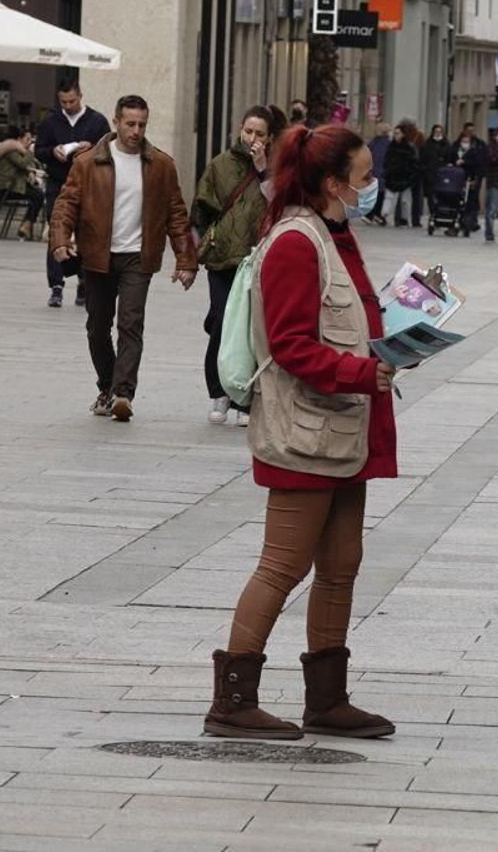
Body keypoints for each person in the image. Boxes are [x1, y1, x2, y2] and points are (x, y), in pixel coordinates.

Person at [206, 122, 398, 741]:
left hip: (343, 427)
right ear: (334, 183)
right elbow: (290, 345)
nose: (371, 186)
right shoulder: (296, 241)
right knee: (283, 565)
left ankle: (327, 698)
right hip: (305, 431)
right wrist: (361, 372)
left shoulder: (334, 234)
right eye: (364, 177)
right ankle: (233, 700)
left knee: (342, 563)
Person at [48, 95, 197, 422]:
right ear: (116, 122)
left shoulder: (161, 165)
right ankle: (107, 385)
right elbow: (66, 204)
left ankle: (123, 393)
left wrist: (186, 260)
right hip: (97, 255)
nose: (136, 131)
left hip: (138, 257)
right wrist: (60, 240)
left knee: (131, 324)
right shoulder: (88, 162)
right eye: (130, 124)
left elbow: (176, 214)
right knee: (97, 328)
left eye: (142, 124)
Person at [193, 105, 282, 426]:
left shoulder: (276, 168)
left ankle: (246, 398)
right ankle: (219, 391)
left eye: (259, 134)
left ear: (269, 138)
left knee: (253, 328)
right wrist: (193, 254)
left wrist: (262, 169)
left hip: (259, 258)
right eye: (248, 131)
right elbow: (200, 211)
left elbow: (281, 204)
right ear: (239, 129)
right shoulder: (220, 165)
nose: (252, 138)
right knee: (222, 322)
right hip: (223, 258)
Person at [37, 81, 111, 307]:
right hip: (58, 182)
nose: (68, 106)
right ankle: (56, 285)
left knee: (85, 232)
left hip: (88, 185)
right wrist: (53, 151)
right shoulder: (50, 121)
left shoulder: (97, 121)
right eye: (64, 102)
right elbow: (39, 150)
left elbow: (109, 149)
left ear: (80, 96)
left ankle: (83, 280)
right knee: (56, 230)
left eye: (72, 101)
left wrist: (91, 149)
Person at [0, 124, 45, 240]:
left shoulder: (14, 150)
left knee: (37, 195)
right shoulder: (11, 151)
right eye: (27, 139)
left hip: (11, 185)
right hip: (9, 187)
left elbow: (27, 165)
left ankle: (27, 225)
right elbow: (23, 164)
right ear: (18, 139)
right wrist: (31, 152)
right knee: (38, 195)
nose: (30, 142)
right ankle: (26, 225)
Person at [382, 120, 422, 227]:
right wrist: (386, 172)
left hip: (405, 177)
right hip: (392, 176)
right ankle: (384, 215)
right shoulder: (391, 147)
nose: (396, 136)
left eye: (398, 133)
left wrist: (411, 176)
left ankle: (404, 218)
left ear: (403, 134)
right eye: (395, 133)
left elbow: (414, 163)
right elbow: (386, 161)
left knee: (405, 201)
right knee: (389, 198)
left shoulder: (409, 147)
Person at [455, 122, 486, 232]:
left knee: (473, 199)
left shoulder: (479, 144)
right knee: (460, 198)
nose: (470, 133)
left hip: (473, 176)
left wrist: (479, 177)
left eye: (472, 130)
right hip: (459, 177)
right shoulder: (456, 144)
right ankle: (460, 220)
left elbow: (481, 161)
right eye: (468, 130)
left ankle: (471, 221)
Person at [420, 123, 454, 224]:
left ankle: (441, 214)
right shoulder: (427, 144)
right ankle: (433, 214)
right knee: (431, 196)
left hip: (443, 175)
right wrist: (425, 169)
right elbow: (422, 159)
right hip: (430, 174)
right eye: (436, 132)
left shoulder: (447, 145)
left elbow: (450, 158)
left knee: (442, 195)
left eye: (440, 132)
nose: (438, 133)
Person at [365, 119, 391, 226]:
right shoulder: (387, 143)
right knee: (380, 194)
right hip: (381, 171)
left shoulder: (375, 142)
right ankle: (376, 214)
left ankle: (373, 214)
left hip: (376, 170)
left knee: (376, 193)